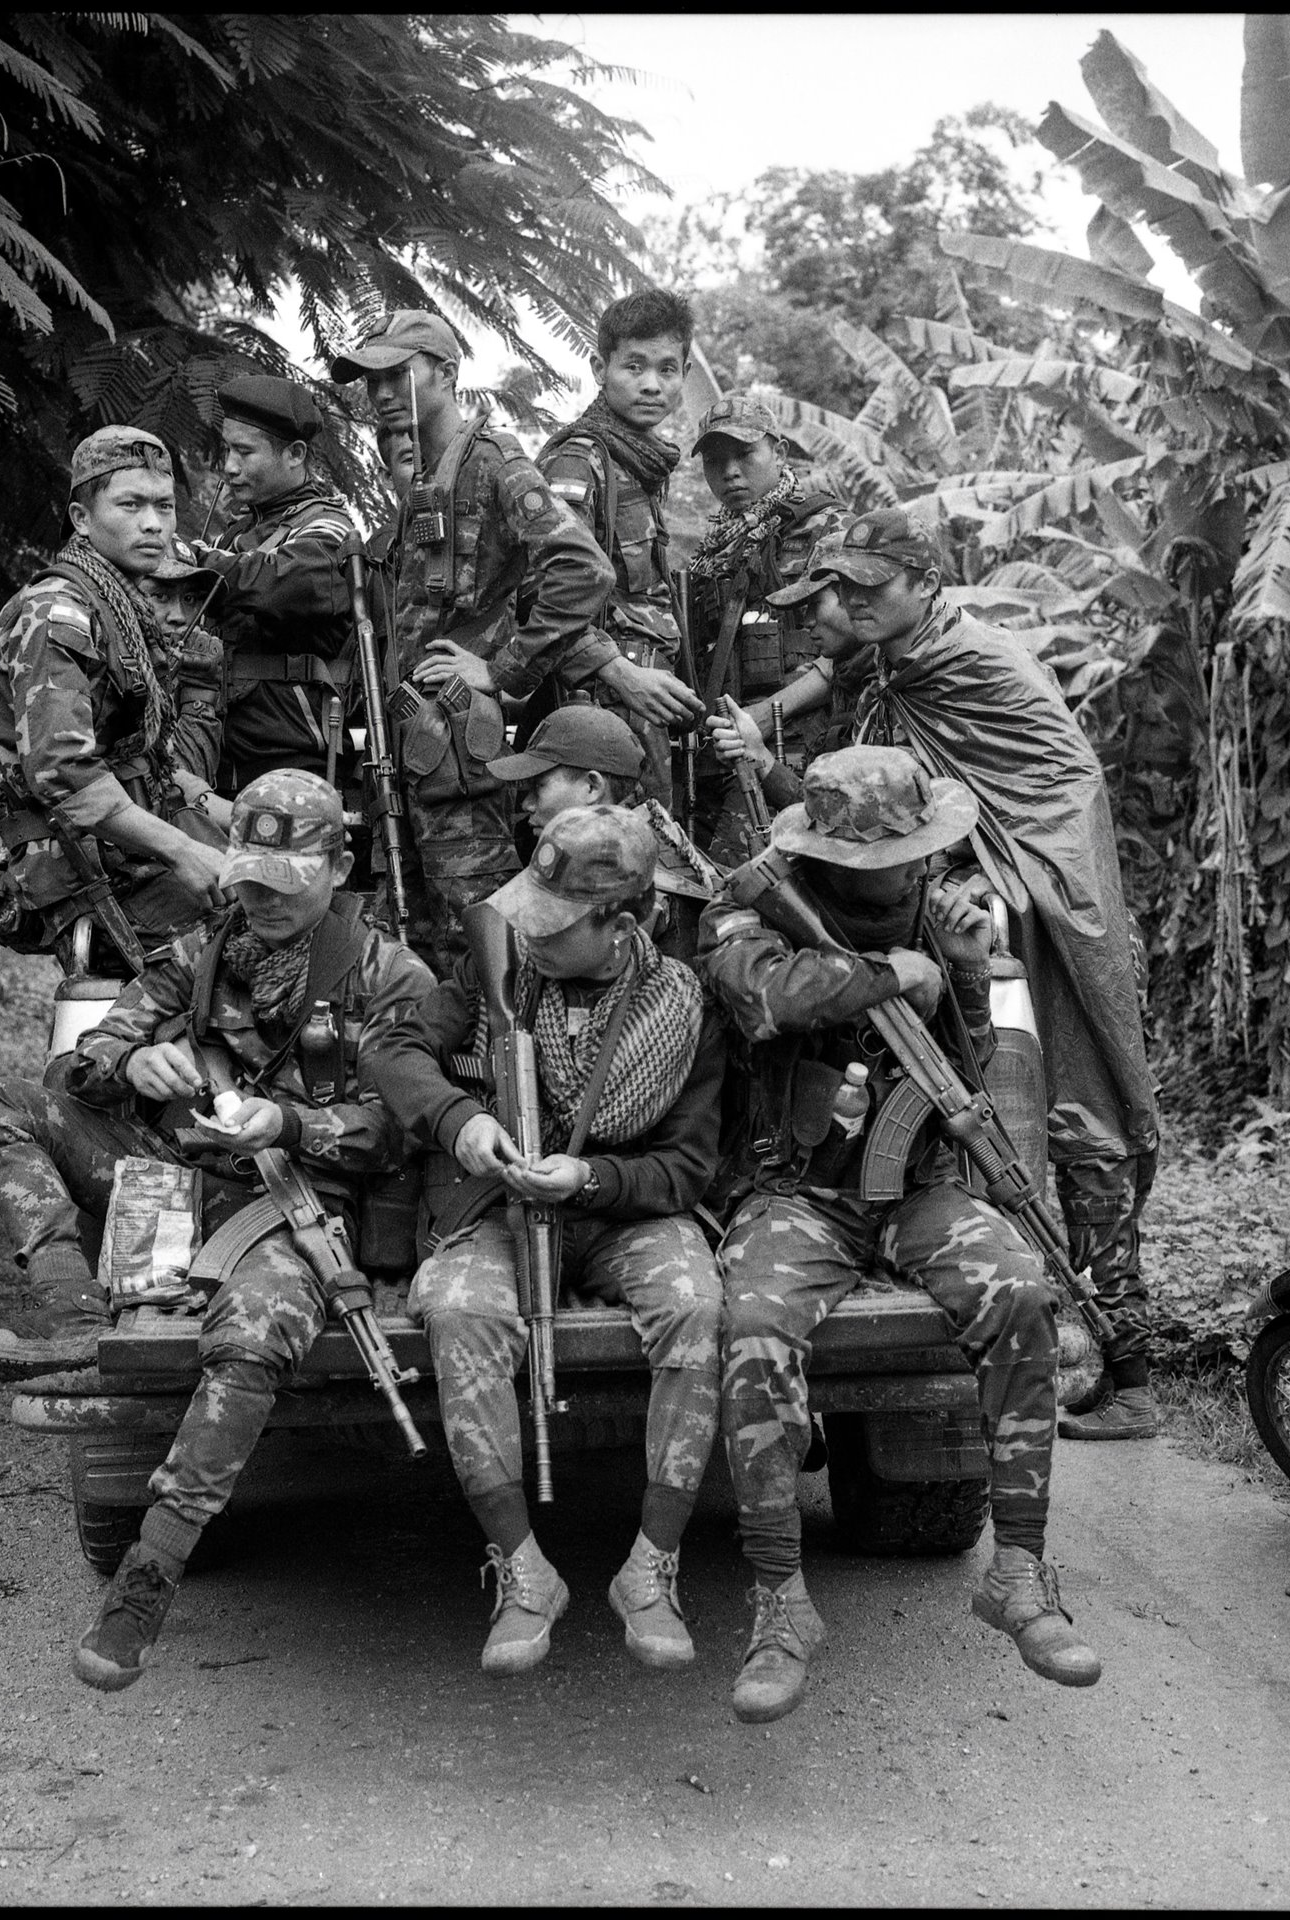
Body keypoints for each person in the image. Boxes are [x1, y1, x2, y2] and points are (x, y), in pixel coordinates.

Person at [713, 509, 1162, 1438]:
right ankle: (1024, 1319)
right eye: (842, 587)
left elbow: (1062, 799)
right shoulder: (896, 666)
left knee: (1078, 1109)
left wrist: (979, 894)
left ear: (926, 583)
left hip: (1027, 902)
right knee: (975, 1111)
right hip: (942, 909)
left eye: (871, 587)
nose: (848, 603)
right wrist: (769, 757)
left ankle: (1131, 1356)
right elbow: (874, 822)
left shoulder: (979, 663)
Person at [700, 745, 1102, 1722]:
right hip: (797, 1193)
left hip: (916, 1181)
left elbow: (959, 1067)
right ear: (827, 852)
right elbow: (771, 999)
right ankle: (780, 1602)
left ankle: (1018, 1569)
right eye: (891, 855)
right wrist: (891, 973)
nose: (912, 868)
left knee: (1017, 1290)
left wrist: (961, 971)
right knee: (751, 1325)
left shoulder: (938, 906)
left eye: (918, 851)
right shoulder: (746, 910)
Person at [0, 770, 432, 1421]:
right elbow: (86, 1059)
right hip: (183, 1182)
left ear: (339, 868)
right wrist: (133, 1063)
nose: (263, 897)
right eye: (250, 876)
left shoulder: (386, 970)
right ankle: (75, 1324)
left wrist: (290, 1125)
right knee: (2, 1105)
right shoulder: (201, 953)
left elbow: (400, 1130)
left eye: (286, 879)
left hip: (308, 1204)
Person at [367, 806, 726, 1674]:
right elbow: (394, 1047)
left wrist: (592, 1180)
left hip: (620, 1212)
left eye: (555, 921)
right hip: (493, 1207)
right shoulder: (495, 971)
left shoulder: (685, 1009)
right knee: (457, 1310)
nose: (527, 930)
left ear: (621, 924)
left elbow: (684, 1167)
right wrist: (461, 1122)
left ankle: (650, 1568)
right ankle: (525, 1570)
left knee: (695, 1303)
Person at [329, 310, 615, 978]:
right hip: (417, 741)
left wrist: (502, 669)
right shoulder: (427, 477)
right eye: (371, 381)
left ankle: (514, 1071)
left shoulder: (491, 460)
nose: (382, 393)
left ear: (447, 373)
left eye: (398, 373)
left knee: (485, 934)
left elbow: (583, 569)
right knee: (424, 935)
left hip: (460, 745)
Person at [0, 425, 226, 971]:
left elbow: (149, 764)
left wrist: (250, 815)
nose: (153, 523)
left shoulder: (124, 611)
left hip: (123, 854)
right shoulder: (55, 613)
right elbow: (64, 773)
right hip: (78, 868)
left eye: (164, 505)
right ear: (82, 520)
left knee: (290, 886)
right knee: (257, 935)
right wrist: (183, 849)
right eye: (130, 505)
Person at [538, 289, 706, 807]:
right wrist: (621, 673)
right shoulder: (579, 459)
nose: (652, 384)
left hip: (642, 695)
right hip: (602, 698)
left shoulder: (641, 461)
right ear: (599, 367)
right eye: (634, 366)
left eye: (668, 368)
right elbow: (541, 591)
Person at [681, 396, 850, 866]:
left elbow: (852, 654)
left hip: (797, 745)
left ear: (780, 453)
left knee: (749, 883)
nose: (730, 472)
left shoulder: (828, 529)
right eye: (716, 461)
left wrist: (760, 715)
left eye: (745, 455)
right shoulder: (714, 548)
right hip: (723, 747)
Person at [190, 375, 360, 796]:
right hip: (219, 755)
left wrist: (187, 560)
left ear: (295, 454)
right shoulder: (233, 536)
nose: (229, 466)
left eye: (245, 452)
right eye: (228, 448)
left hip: (292, 766)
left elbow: (271, 582)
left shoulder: (328, 531)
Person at [487, 704, 723, 965]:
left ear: (592, 787)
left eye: (539, 787)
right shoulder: (631, 848)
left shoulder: (636, 888)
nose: (527, 804)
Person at [136, 534, 230, 839]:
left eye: (190, 599)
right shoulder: (107, 662)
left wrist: (198, 695)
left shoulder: (180, 667)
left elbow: (187, 775)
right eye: (160, 596)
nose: (179, 616)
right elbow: (158, 784)